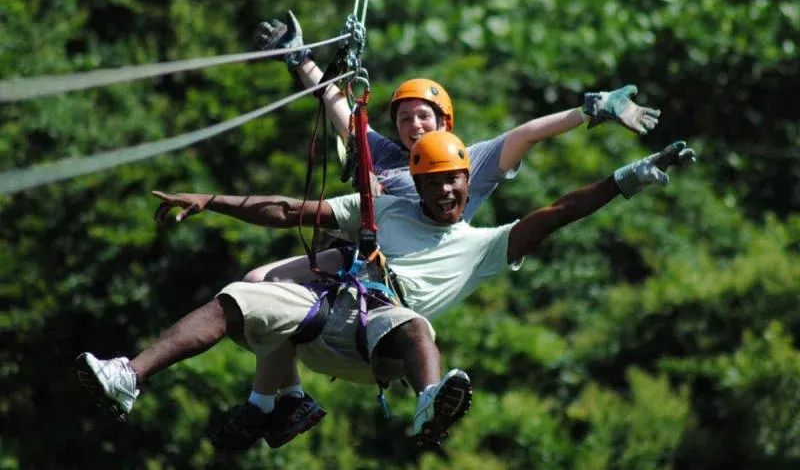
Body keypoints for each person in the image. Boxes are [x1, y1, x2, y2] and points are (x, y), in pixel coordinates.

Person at [199, 11, 666, 448]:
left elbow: (525, 135)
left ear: (446, 123)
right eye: (404, 118)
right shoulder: (384, 156)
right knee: (259, 283)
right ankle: (290, 399)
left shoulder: (466, 161)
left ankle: (282, 400)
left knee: (272, 292)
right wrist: (303, 61)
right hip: (356, 262)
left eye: (424, 116)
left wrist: (592, 110)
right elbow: (342, 111)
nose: (413, 124)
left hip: (398, 277)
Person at [99, 131, 697, 450]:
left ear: (469, 183)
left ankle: (429, 400)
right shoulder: (384, 206)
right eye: (433, 183)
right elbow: (289, 211)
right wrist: (210, 202)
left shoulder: (484, 245)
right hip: (323, 309)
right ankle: (131, 376)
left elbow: (558, 212)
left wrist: (628, 177)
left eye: (453, 183)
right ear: (418, 181)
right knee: (236, 298)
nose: (444, 193)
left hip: (375, 349)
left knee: (412, 324)